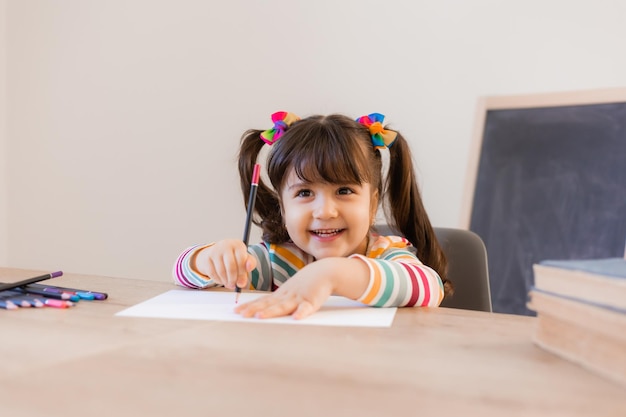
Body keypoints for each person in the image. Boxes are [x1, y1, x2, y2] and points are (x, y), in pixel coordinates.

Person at [173, 111, 452, 319]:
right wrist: (208, 259)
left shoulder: (387, 254)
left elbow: (429, 286)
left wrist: (333, 274)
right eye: (305, 193)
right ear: (283, 208)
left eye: (344, 190)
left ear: (371, 203)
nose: (325, 211)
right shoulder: (277, 261)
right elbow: (182, 272)